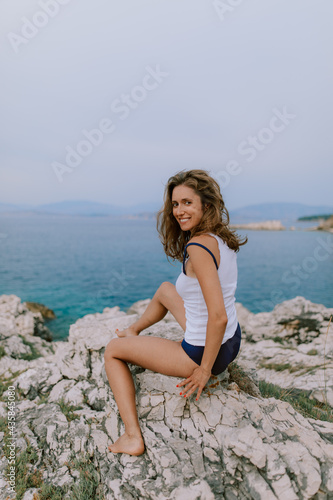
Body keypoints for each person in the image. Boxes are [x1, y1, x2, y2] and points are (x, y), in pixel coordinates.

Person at [104, 169, 247, 456]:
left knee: (112, 351)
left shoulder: (198, 246)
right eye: (175, 204)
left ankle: (132, 436)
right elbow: (219, 312)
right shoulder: (219, 238)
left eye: (187, 203)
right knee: (167, 289)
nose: (179, 211)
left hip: (202, 352)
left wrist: (204, 370)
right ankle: (134, 331)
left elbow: (217, 315)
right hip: (231, 342)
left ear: (206, 205)